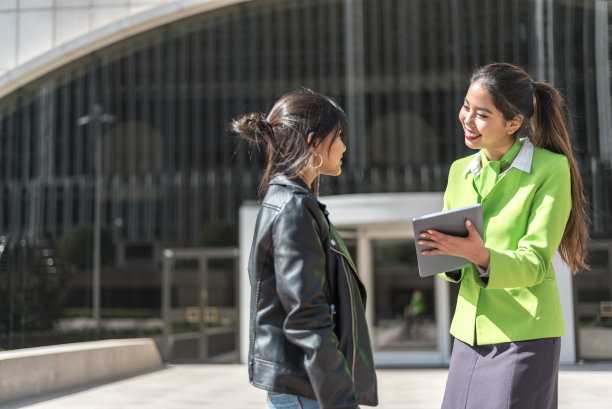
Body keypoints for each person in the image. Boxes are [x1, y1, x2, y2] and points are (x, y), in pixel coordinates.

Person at [417, 63, 589, 409]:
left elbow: (536, 262)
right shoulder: (458, 172)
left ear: (513, 123)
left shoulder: (549, 169)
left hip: (525, 334)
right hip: (469, 335)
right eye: (466, 106)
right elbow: (457, 268)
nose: (467, 119)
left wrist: (480, 255)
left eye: (482, 114)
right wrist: (444, 253)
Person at [232, 89, 378, 409]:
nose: (344, 146)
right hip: (307, 389)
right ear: (313, 142)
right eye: (337, 136)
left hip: (305, 387)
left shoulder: (294, 203)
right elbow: (307, 314)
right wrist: (340, 400)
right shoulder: (293, 208)